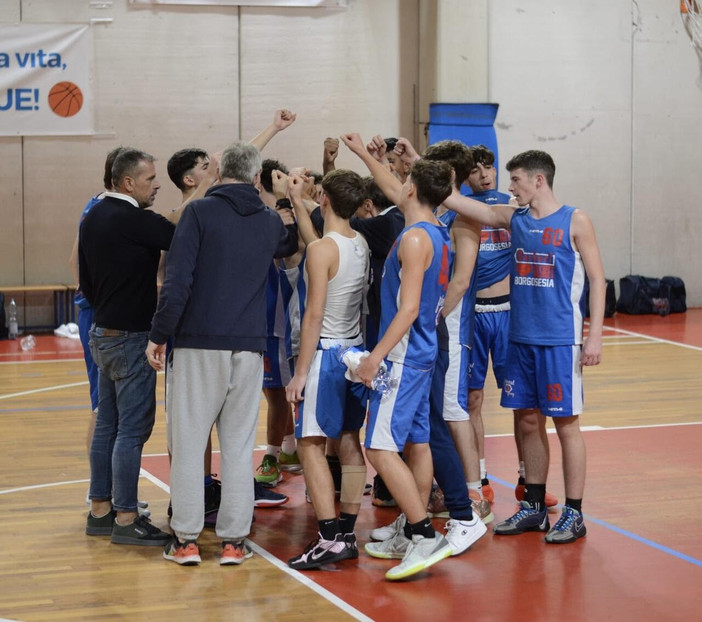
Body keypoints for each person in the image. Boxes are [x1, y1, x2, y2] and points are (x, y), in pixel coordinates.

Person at [146, 142, 298, 565]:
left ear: (217, 171)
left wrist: (159, 333)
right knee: (238, 446)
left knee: (190, 444)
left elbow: (178, 282)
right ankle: (234, 541)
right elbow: (289, 242)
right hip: (249, 348)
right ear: (254, 179)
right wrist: (293, 199)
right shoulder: (269, 222)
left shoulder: (198, 212)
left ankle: (187, 541)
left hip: (197, 343)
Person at [444, 149, 606, 544]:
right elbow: (458, 201)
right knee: (528, 421)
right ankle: (533, 505)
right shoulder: (513, 218)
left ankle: (574, 512)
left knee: (567, 425)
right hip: (521, 338)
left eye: (515, 180)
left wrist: (594, 334)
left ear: (538, 180)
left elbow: (599, 281)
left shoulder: (575, 219)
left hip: (559, 340)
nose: (508, 187)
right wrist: (419, 163)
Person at [339, 132, 454, 581]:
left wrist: (374, 359)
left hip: (402, 358)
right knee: (417, 442)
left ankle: (426, 534)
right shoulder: (434, 229)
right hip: (422, 353)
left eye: (403, 179)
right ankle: (411, 527)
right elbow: (391, 186)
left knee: (380, 447)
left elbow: (407, 309)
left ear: (411, 189)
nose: (396, 184)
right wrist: (363, 154)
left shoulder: (412, 240)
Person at [80, 148, 175, 546]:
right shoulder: (136, 220)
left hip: (102, 331)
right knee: (132, 431)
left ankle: (100, 510)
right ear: (127, 183)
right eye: (151, 179)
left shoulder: (93, 215)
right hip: (131, 336)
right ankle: (126, 516)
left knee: (108, 424)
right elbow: (182, 235)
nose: (157, 185)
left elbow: (83, 277)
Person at [284, 169, 370, 570]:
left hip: (324, 357)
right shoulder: (360, 243)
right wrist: (298, 202)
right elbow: (318, 241)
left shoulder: (321, 251)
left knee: (310, 446)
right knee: (350, 439)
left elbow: (313, 315)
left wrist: (300, 374)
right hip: (354, 353)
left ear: (327, 201)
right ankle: (348, 533)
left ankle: (329, 536)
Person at [464, 145, 558, 508]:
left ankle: (526, 479)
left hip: (509, 313)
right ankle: (481, 479)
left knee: (526, 406)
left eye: (489, 167)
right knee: (472, 399)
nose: (485, 174)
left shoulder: (517, 205)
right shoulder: (460, 211)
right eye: (476, 169)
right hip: (474, 314)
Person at [254, 159, 302, 488]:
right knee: (275, 392)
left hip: (282, 320)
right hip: (261, 317)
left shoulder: (283, 219)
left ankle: (272, 455)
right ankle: (288, 448)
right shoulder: (258, 217)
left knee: (277, 393)